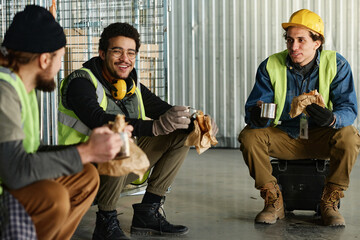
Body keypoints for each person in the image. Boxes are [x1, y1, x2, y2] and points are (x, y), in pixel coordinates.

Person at [58, 22, 218, 239]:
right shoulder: (81, 82)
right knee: (117, 139)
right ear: (102, 53)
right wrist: (153, 127)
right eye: (117, 51)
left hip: (117, 170)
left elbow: (164, 110)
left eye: (131, 53)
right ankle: (105, 221)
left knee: (180, 134)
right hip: (80, 170)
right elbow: (97, 119)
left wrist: (198, 122)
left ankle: (148, 213)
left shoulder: (131, 85)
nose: (125, 58)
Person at [0, 5, 129, 240]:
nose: (61, 67)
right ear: (44, 59)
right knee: (52, 196)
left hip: (11, 179)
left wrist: (91, 150)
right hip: (7, 187)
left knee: (87, 175)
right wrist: (85, 151)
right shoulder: (4, 91)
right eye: (61, 58)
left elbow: (31, 151)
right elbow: (15, 172)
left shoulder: (24, 89)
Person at [238, 9, 360, 227]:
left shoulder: (337, 64)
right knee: (249, 136)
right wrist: (257, 116)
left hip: (321, 136)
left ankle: (329, 202)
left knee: (350, 136)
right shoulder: (270, 65)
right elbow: (253, 109)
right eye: (290, 40)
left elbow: (349, 109)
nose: (294, 47)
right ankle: (273, 201)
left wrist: (331, 119)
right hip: (285, 135)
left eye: (301, 40)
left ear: (317, 42)